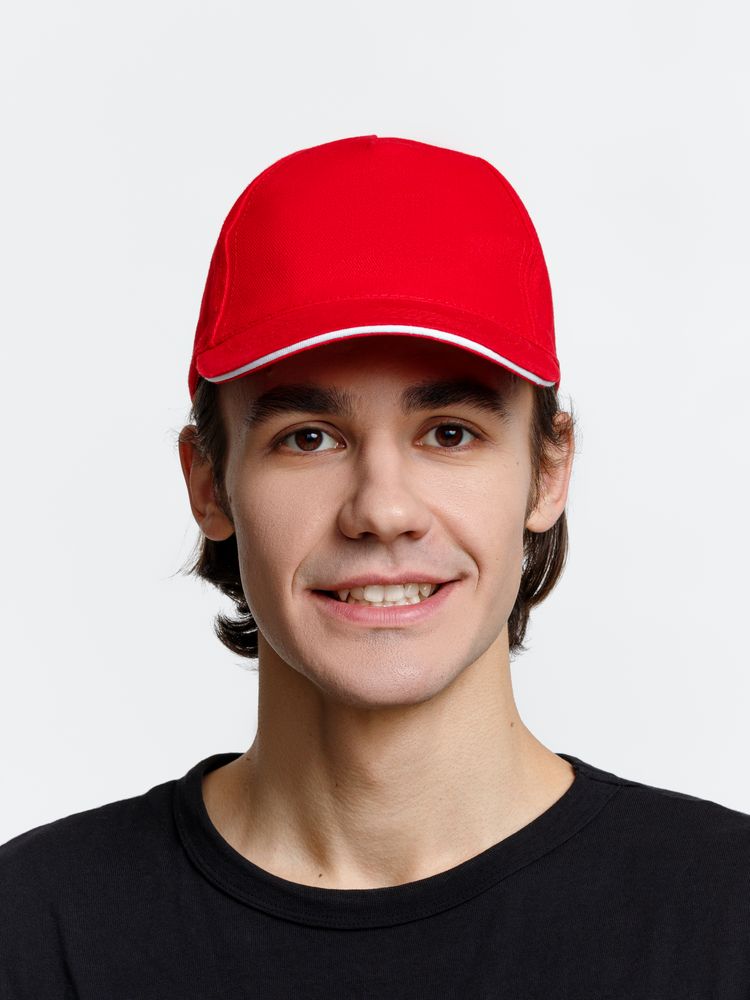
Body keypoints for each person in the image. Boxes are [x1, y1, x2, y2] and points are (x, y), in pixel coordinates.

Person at [1, 134, 748, 998]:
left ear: (549, 472)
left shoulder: (726, 918)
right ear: (208, 483)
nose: (383, 510)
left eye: (451, 434)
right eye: (308, 439)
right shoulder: (36, 930)